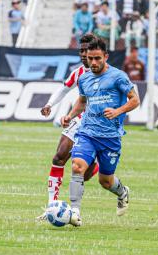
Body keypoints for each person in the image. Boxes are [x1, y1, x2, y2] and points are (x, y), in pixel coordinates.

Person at [61, 38, 140, 226]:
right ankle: (75, 212)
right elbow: (81, 101)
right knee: (77, 167)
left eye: (97, 58)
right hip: (87, 132)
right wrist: (70, 116)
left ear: (106, 56)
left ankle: (122, 192)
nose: (93, 63)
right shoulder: (84, 78)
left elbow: (135, 100)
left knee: (105, 181)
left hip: (110, 138)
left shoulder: (118, 76)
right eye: (90, 59)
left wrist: (117, 111)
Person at [36, 33, 100, 221]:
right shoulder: (79, 72)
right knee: (59, 156)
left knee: (85, 174)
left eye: (86, 50)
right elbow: (64, 88)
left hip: (97, 125)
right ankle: (51, 206)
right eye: (80, 51)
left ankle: (94, 167)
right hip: (78, 120)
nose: (82, 54)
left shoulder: (107, 74)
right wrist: (49, 104)